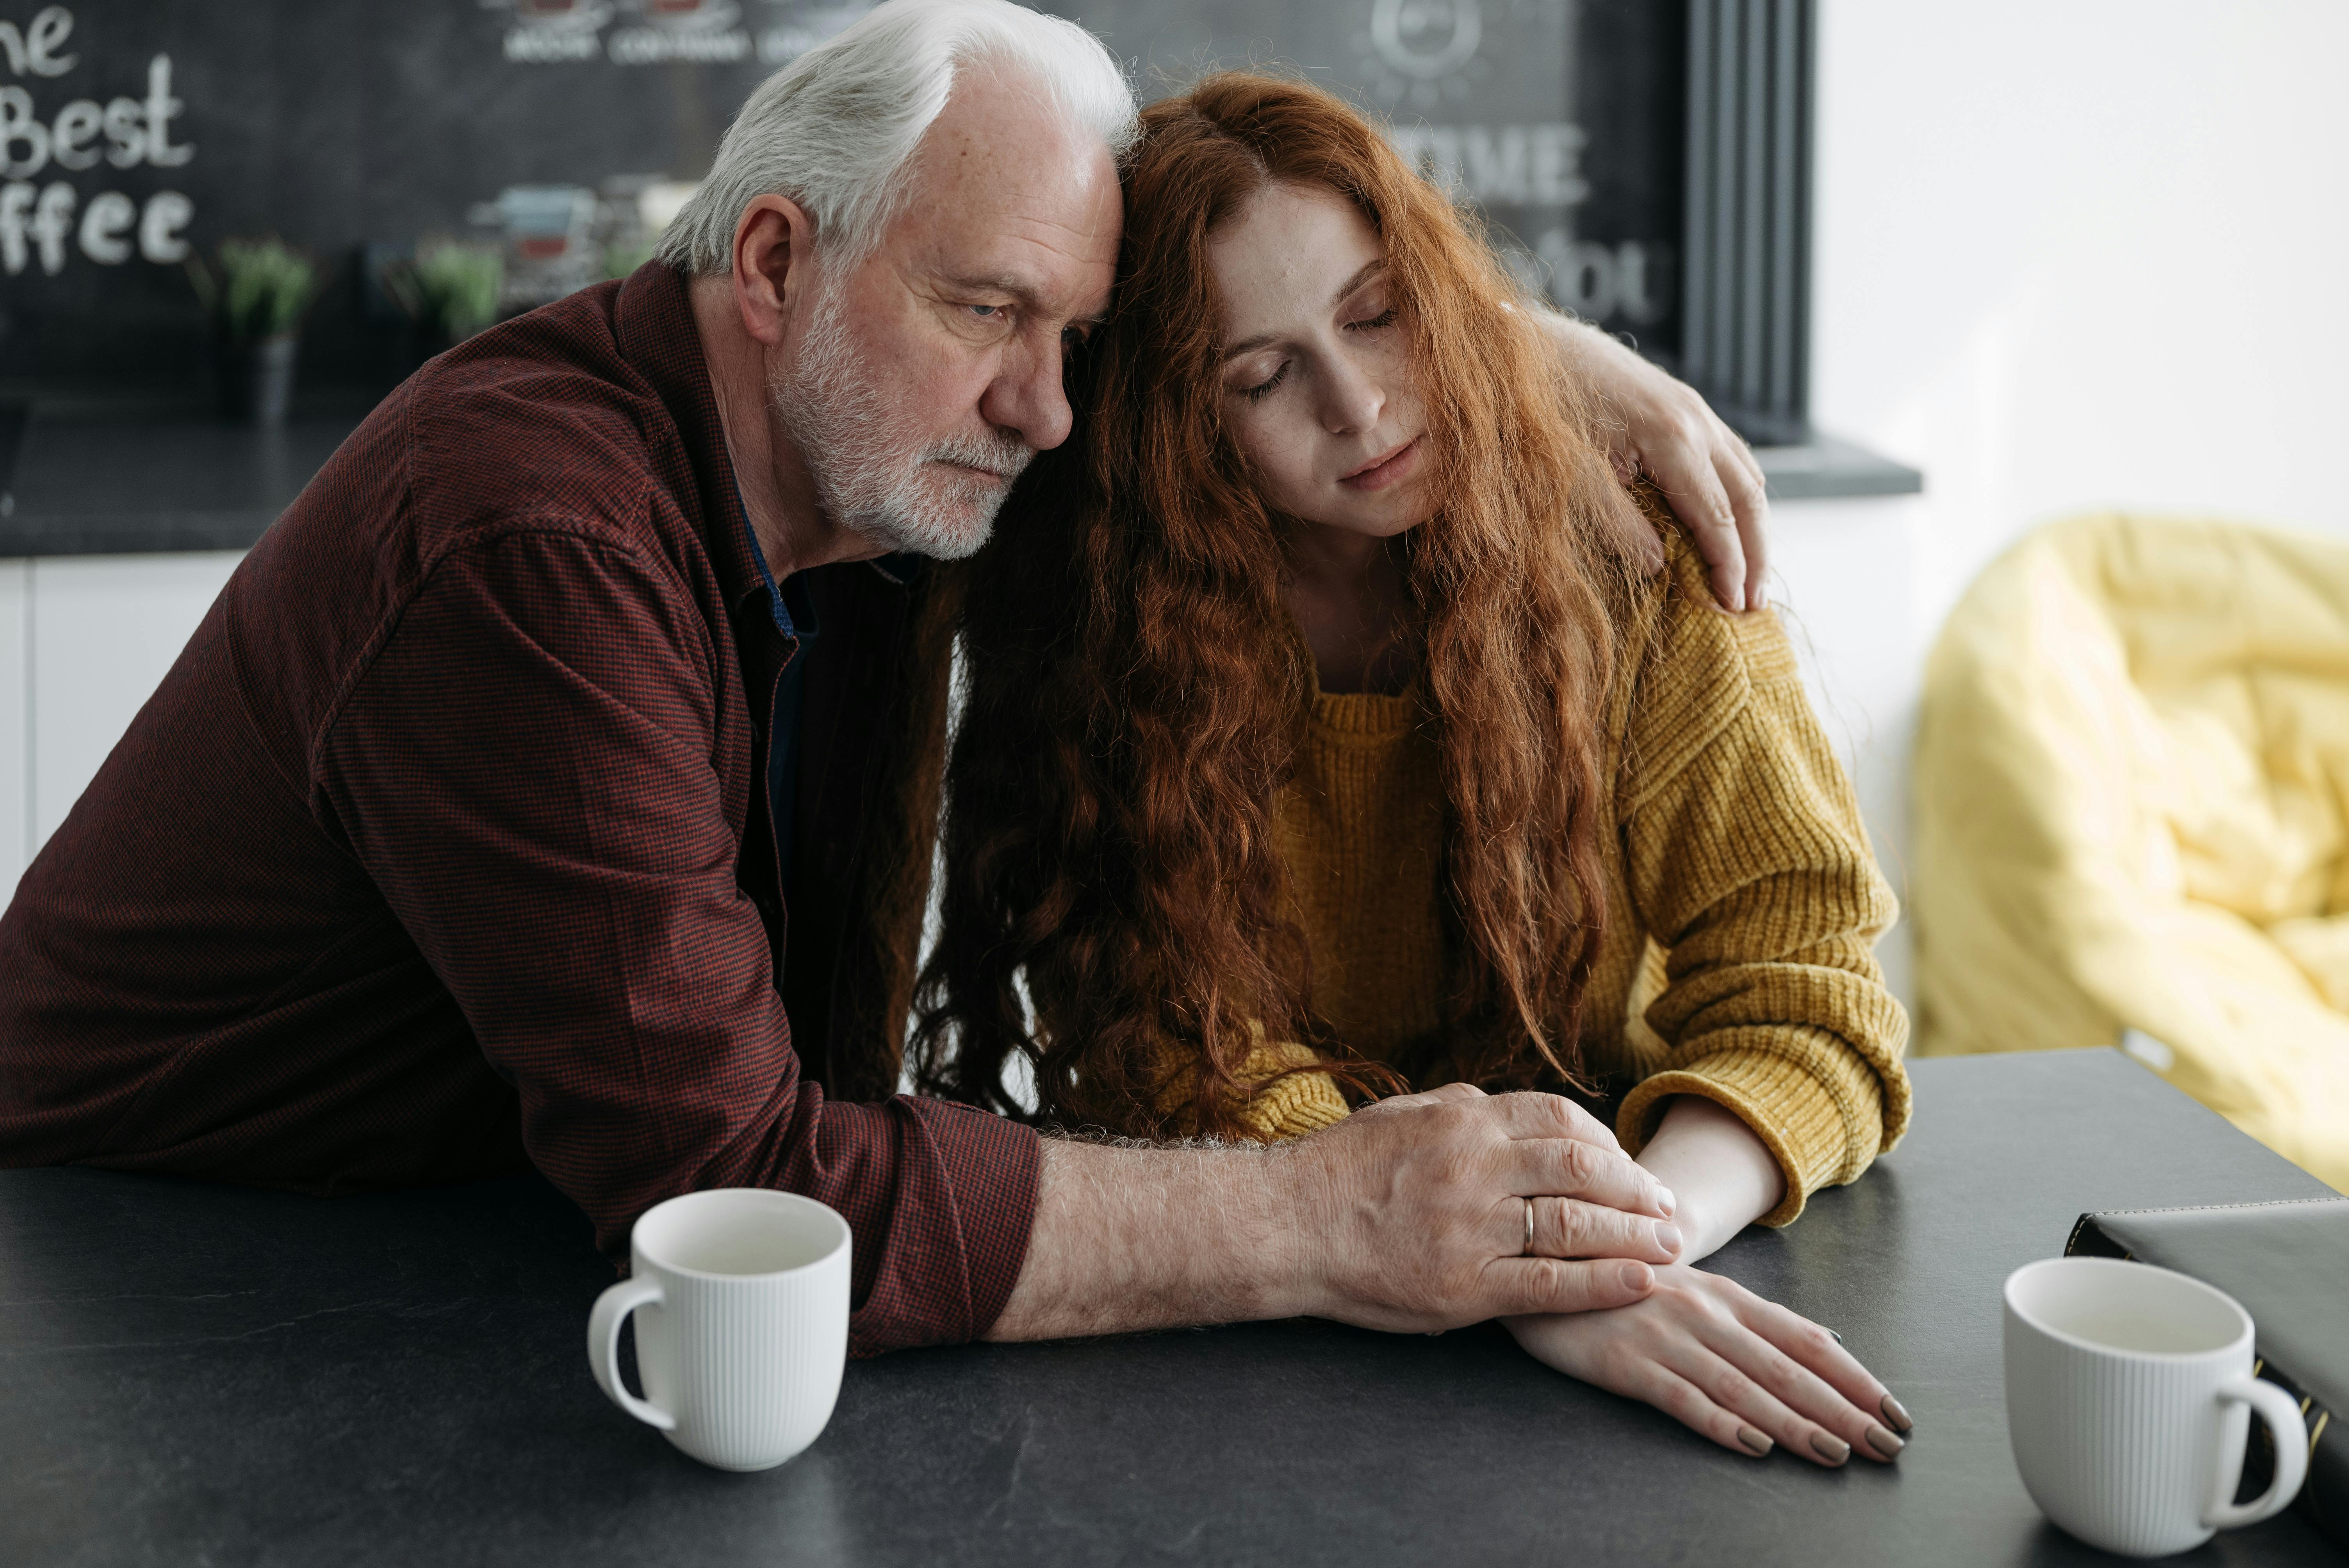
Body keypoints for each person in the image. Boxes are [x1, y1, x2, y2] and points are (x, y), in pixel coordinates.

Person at [0, 2, 1757, 1356]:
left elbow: (1232, 285)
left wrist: (1511, 356)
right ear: (773, 262)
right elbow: (748, 1208)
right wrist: (1336, 1216)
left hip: (470, 1242)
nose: (1048, 407)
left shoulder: (886, 449)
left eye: (1067, 335)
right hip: (137, 1282)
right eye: (992, 312)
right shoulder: (533, 544)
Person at [916, 73, 1915, 1465]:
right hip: (1280, 1333)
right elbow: (1175, 1060)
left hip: (1646, 1256)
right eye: (1260, 377)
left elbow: (1808, 994)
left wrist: (1606, 1255)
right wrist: (1461, 1259)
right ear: (1179, 425)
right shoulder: (1127, 638)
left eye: (1378, 314)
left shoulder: (1632, 555)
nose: (1361, 405)